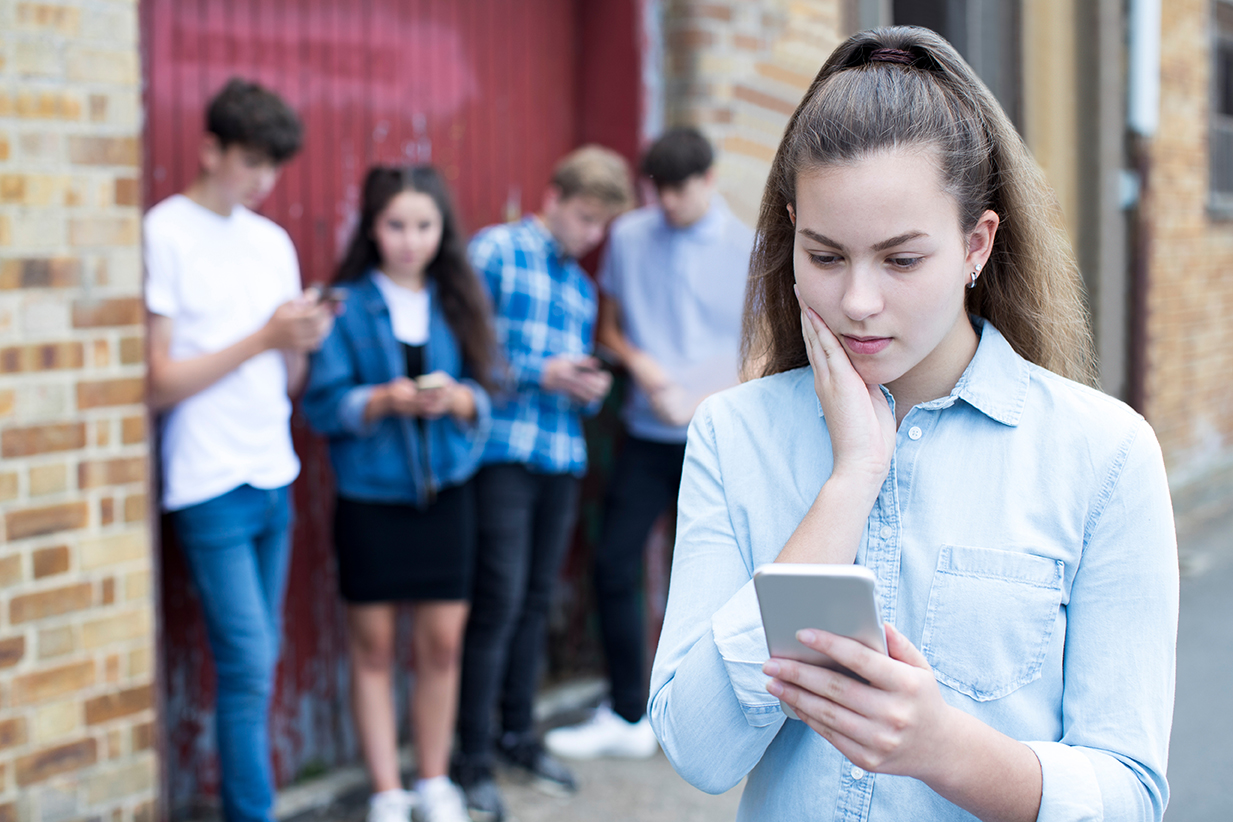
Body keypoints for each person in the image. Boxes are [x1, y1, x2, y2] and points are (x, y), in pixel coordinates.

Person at [649, 26, 1178, 822]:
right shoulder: (736, 434)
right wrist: (848, 483)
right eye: (824, 256)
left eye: (900, 260)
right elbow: (698, 752)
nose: (858, 301)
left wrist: (942, 748)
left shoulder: (1100, 454)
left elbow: (1129, 793)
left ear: (975, 245)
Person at [144, 78, 335, 822]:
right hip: (207, 480)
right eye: (250, 163)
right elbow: (157, 381)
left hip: (271, 472)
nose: (262, 181)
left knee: (257, 662)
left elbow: (287, 383)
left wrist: (301, 340)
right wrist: (263, 336)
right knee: (250, 665)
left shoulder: (272, 241)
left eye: (273, 168)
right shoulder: (167, 230)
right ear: (210, 149)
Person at [545, 128, 753, 760]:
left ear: (709, 181)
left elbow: (765, 344)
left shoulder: (752, 246)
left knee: (719, 578)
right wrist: (642, 365)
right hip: (643, 429)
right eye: (658, 190)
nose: (667, 204)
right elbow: (607, 326)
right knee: (613, 561)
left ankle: (719, 713)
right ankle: (628, 713)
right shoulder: (630, 237)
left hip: (716, 437)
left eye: (681, 191)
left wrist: (707, 398)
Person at [302, 166, 496, 822]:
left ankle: (433, 782)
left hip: (449, 496)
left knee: (442, 645)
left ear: (442, 230)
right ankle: (388, 792)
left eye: (423, 225)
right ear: (372, 228)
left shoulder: (458, 298)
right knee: (374, 648)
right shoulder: (346, 305)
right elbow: (323, 408)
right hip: (370, 500)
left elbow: (485, 389)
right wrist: (380, 401)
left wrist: (462, 400)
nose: (409, 240)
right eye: (395, 225)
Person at [450, 146, 634, 821]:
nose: (590, 234)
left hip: (559, 455)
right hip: (499, 450)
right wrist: (541, 371)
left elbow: (576, 394)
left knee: (532, 601)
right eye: (584, 217)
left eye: (600, 226)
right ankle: (469, 756)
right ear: (552, 195)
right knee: (495, 600)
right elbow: (464, 344)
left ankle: (518, 736)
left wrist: (587, 384)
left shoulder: (579, 289)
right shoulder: (494, 252)